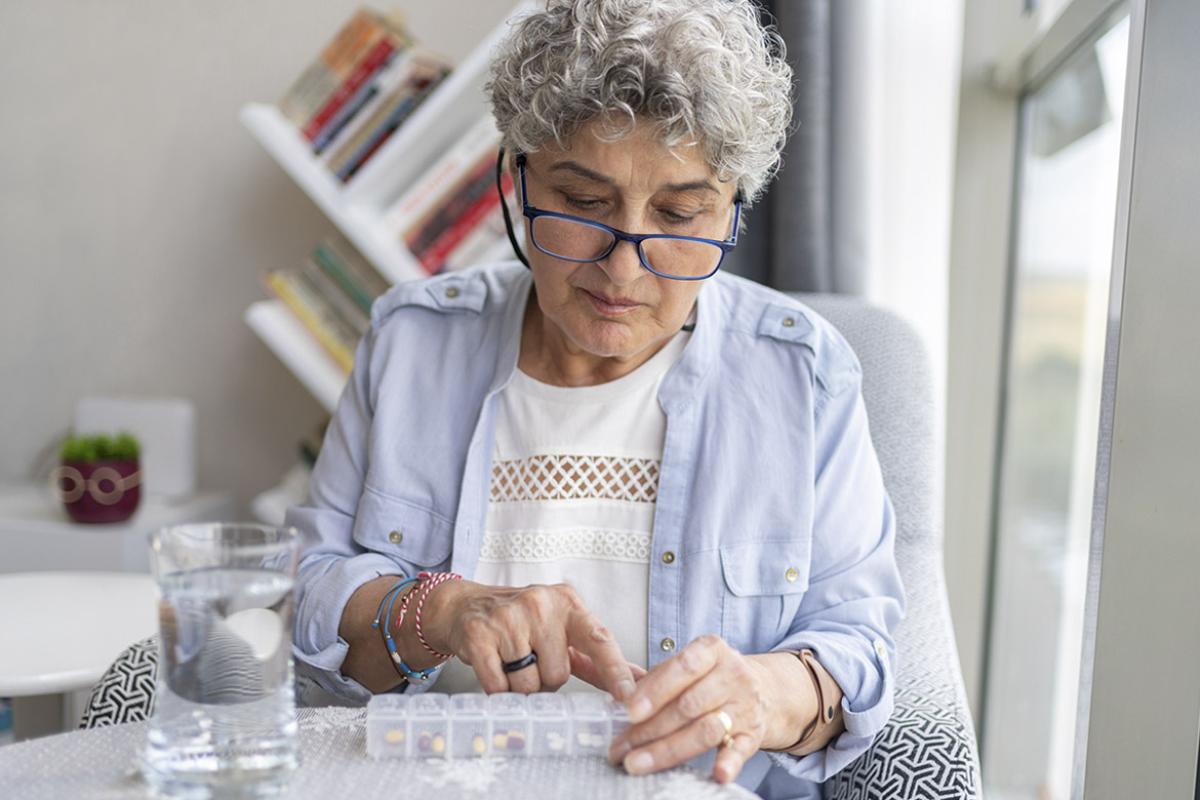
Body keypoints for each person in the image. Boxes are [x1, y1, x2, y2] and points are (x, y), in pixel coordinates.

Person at [285, 1, 905, 796]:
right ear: (519, 180)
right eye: (582, 204)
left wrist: (763, 693)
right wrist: (439, 611)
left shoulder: (801, 375)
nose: (623, 270)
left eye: (680, 215)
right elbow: (304, 598)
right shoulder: (413, 345)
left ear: (733, 209)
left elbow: (860, 647)